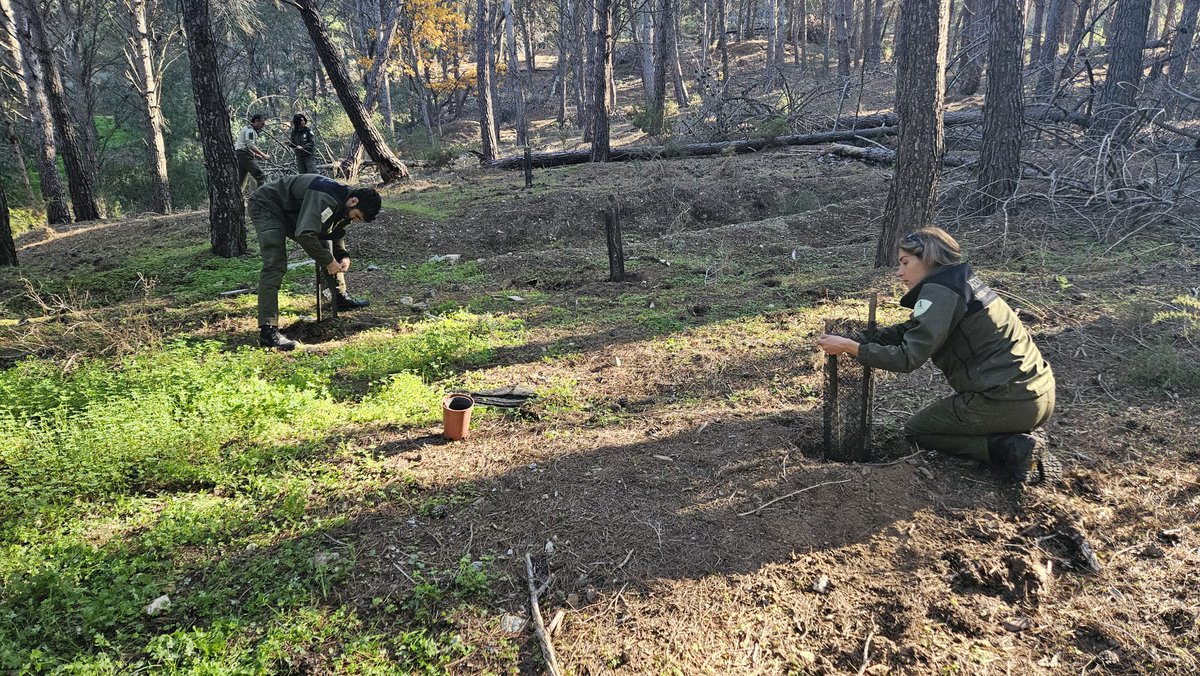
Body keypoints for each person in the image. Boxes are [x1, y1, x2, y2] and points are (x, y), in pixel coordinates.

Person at [816, 227, 1060, 484]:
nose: (899, 272)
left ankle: (1008, 447)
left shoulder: (940, 292)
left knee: (919, 430)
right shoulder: (960, 281)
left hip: (1007, 400)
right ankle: (1015, 433)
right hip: (1040, 394)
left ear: (929, 260)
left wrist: (852, 347)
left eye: (905, 263)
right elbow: (914, 329)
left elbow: (907, 357)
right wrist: (866, 338)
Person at [248, 174, 380, 350]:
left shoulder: (345, 202)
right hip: (267, 205)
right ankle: (268, 330)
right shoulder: (325, 198)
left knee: (325, 247)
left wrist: (343, 256)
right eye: (357, 216)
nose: (355, 221)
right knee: (275, 264)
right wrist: (328, 261)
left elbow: (335, 234)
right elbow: (305, 234)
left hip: (292, 210)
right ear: (354, 201)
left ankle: (339, 297)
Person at [235, 113, 271, 191]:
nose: (262, 126)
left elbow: (245, 145)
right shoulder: (250, 130)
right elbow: (250, 145)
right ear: (256, 121)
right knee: (261, 176)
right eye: (262, 124)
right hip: (244, 155)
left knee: (240, 180)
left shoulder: (248, 129)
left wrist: (257, 155)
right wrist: (263, 155)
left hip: (240, 155)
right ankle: (260, 196)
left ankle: (236, 196)